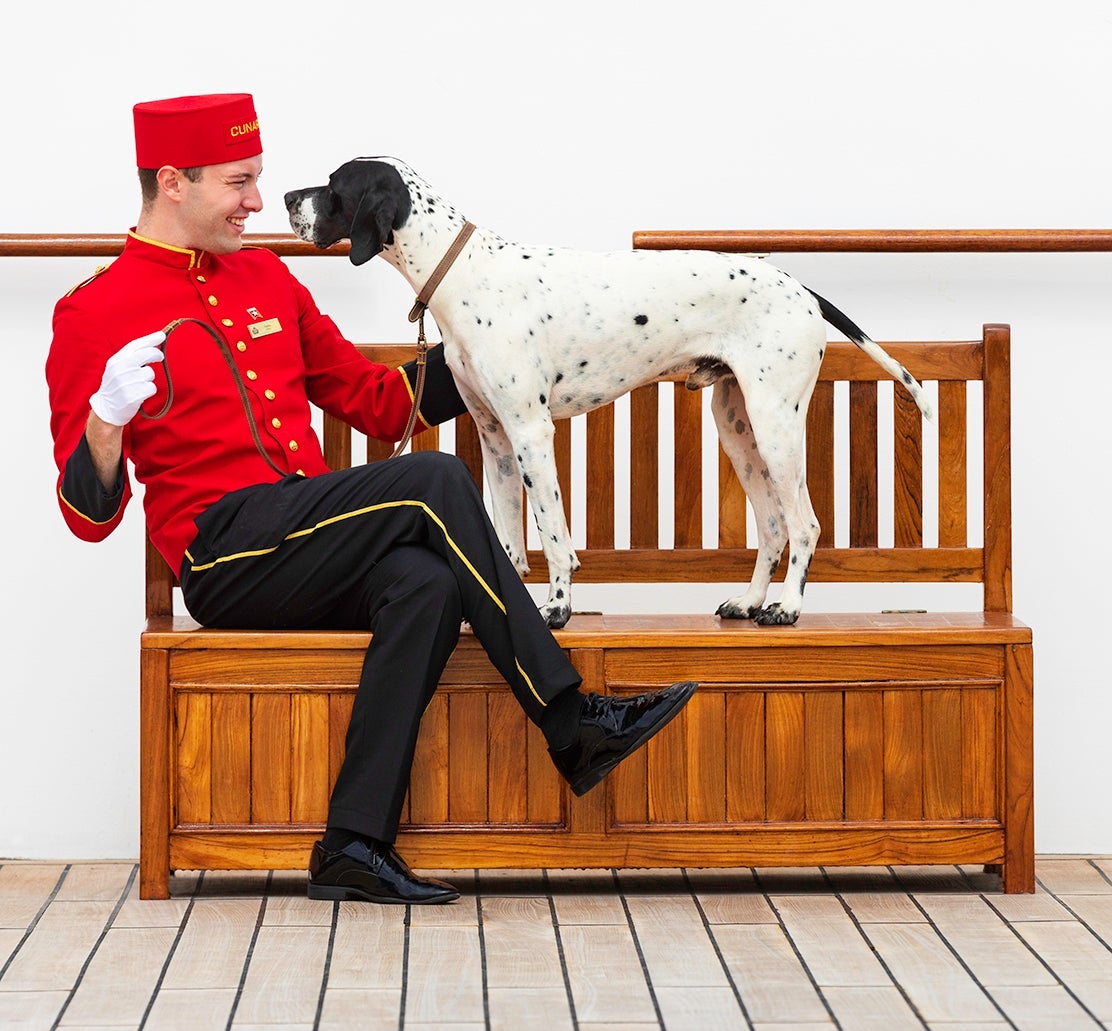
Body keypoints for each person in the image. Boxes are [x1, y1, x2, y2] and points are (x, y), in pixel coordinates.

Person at [45, 93, 697, 906]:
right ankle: (571, 721)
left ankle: (353, 843)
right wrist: (107, 422)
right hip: (224, 553)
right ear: (173, 181)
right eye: (240, 183)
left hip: (308, 534)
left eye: (258, 180)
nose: (257, 202)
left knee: (424, 584)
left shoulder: (266, 278)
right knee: (431, 481)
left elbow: (380, 403)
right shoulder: (92, 312)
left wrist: (491, 336)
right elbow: (86, 515)